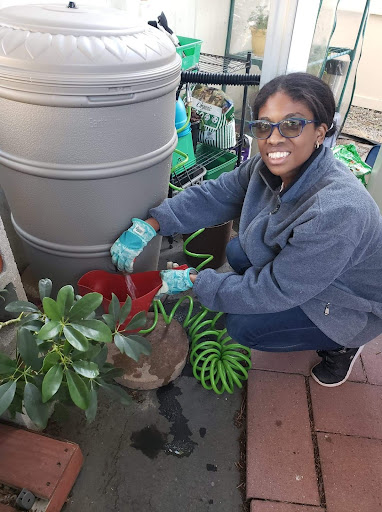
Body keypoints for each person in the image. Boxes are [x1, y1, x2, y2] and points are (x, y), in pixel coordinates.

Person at [111, 72, 382, 388]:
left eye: (292, 125)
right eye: (264, 126)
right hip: (310, 272)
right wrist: (151, 225)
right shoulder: (266, 167)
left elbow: (275, 289)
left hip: (349, 300)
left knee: (242, 325)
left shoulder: (334, 213)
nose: (274, 139)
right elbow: (216, 194)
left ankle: (342, 344)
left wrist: (197, 283)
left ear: (320, 132)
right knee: (239, 252)